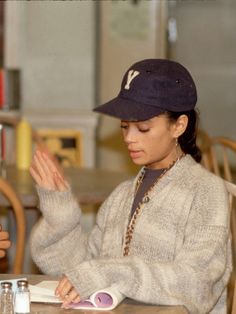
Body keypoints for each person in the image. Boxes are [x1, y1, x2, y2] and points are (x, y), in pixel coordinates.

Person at [29, 59, 232, 314]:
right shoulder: (122, 195)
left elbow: (197, 283)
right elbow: (83, 271)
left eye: (143, 128)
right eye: (124, 127)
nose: (129, 138)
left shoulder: (206, 192)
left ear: (179, 125)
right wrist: (60, 215)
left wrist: (114, 272)